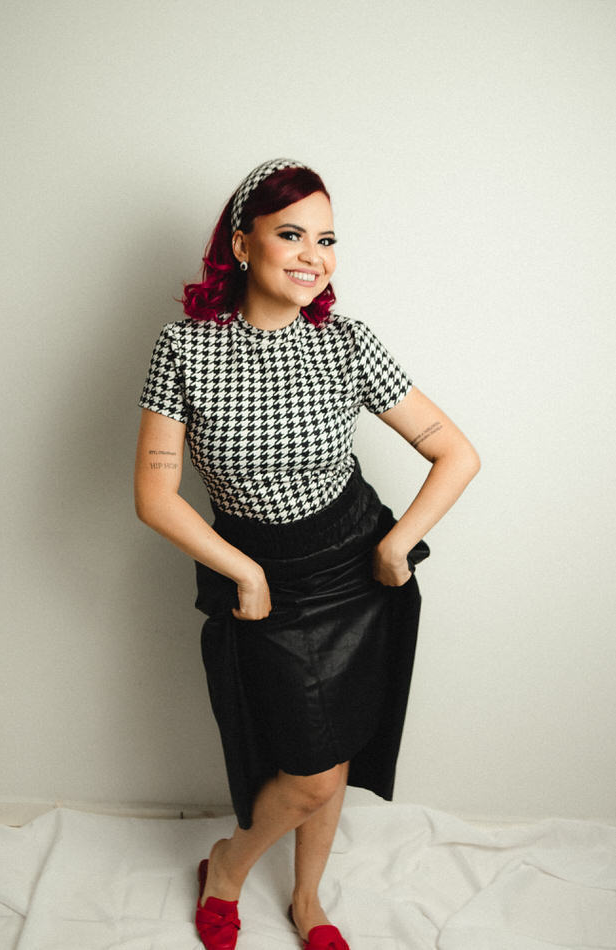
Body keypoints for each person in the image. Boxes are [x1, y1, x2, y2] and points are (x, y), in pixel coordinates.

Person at [134, 158, 480, 950]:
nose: (312, 256)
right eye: (291, 234)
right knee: (309, 766)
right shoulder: (183, 347)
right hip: (265, 580)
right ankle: (227, 868)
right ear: (241, 242)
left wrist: (396, 542)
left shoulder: (347, 343)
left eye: (325, 240)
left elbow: (455, 452)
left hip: (357, 568)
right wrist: (243, 570)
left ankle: (308, 900)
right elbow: (154, 495)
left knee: (337, 749)